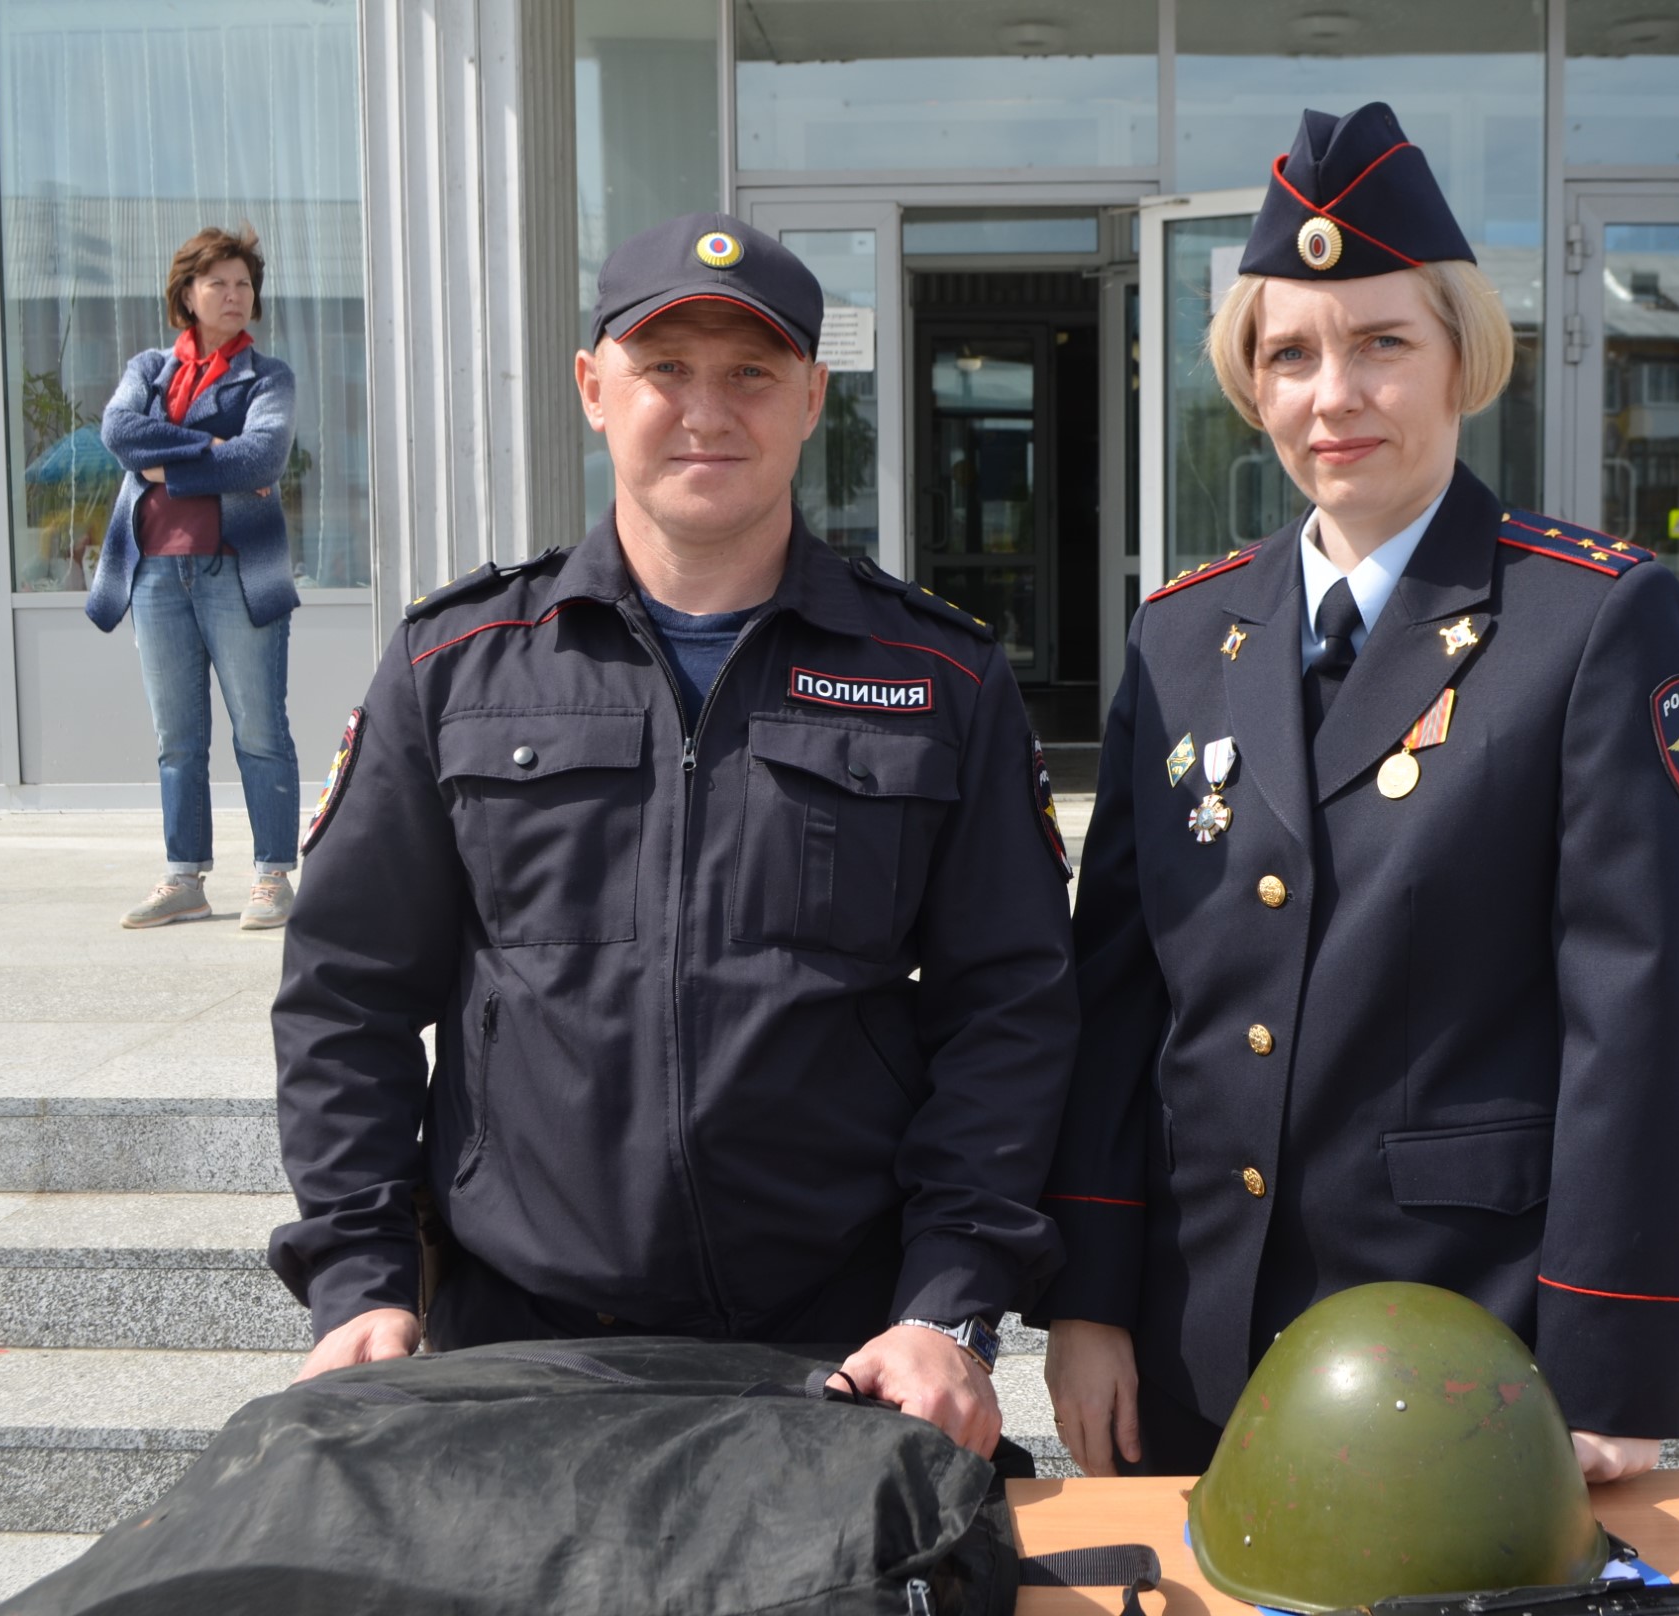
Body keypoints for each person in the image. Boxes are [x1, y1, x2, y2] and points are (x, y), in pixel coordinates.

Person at [268, 213, 1078, 1458]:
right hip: (520, 1338)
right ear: (594, 389)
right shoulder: (458, 666)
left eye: (751, 371)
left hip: (843, 1345)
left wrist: (948, 1303)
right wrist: (361, 1276)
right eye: (665, 369)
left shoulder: (938, 677)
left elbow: (1009, 1006)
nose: (708, 410)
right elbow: (347, 993)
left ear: (811, 399)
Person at [1033, 104, 1679, 1485]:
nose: (1332, 393)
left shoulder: (1589, 620)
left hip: (1466, 1331)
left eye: (1381, 343)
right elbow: (1117, 1001)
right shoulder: (1182, 634)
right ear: (1252, 385)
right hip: (1197, 1328)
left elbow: (1635, 1019)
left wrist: (1608, 1358)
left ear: (1463, 357)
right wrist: (1088, 1298)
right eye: (1289, 353)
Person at [91, 225, 302, 931]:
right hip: (154, 573)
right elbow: (118, 433)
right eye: (219, 283)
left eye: (244, 284)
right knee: (176, 738)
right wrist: (209, 445)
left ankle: (273, 876)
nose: (235, 295)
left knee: (260, 730)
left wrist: (166, 467)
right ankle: (185, 877)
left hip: (236, 573)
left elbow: (260, 459)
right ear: (187, 293)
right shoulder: (149, 369)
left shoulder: (268, 377)